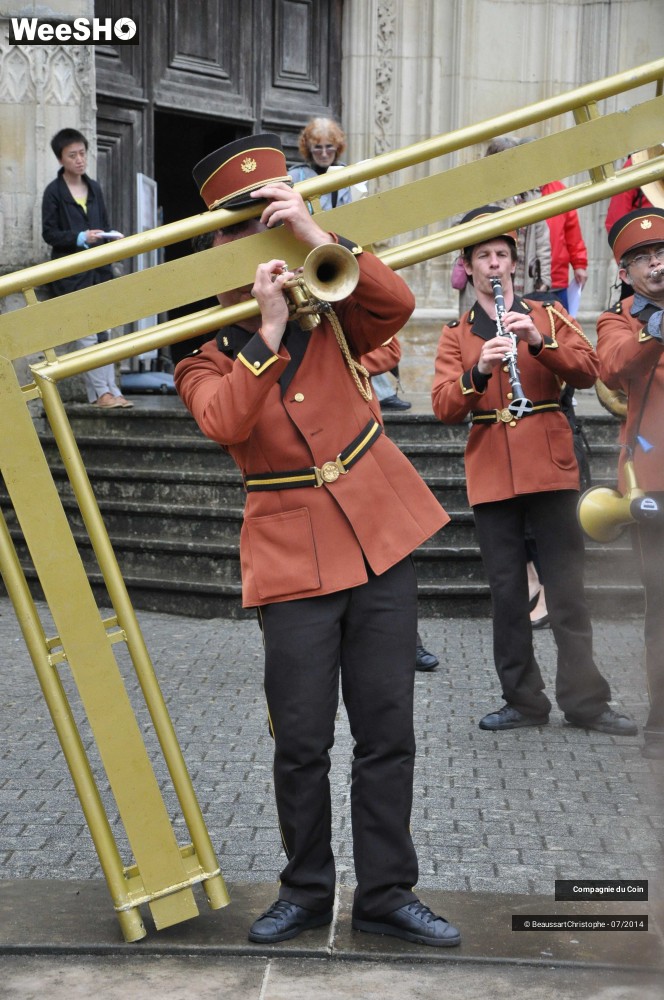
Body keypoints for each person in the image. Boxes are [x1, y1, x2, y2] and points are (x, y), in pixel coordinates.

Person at [175, 134, 460, 947]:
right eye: (245, 228)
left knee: (387, 730)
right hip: (291, 549)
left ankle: (386, 892)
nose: (260, 239)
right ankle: (305, 888)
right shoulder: (206, 348)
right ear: (216, 244)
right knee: (301, 740)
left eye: (270, 219)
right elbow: (224, 422)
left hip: (379, 528)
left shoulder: (330, 295)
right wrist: (262, 336)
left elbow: (398, 306)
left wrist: (315, 234)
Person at [431, 205, 637, 737]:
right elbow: (443, 407)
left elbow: (591, 372)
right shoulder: (457, 334)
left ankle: (586, 702)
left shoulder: (546, 316)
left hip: (550, 466)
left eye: (502, 255)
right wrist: (479, 369)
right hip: (493, 475)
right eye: (484, 257)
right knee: (507, 598)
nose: (494, 265)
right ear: (469, 266)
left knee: (568, 592)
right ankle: (523, 700)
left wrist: (538, 343)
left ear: (514, 265)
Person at [596, 208, 664, 760]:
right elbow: (618, 366)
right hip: (654, 483)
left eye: (663, 253)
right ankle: (661, 722)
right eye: (643, 259)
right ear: (626, 273)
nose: (657, 264)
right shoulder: (617, 320)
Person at [41, 128, 132, 409]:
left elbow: (103, 222)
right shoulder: (54, 192)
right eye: (72, 155)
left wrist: (108, 237)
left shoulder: (94, 187)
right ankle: (100, 393)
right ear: (61, 159)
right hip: (72, 274)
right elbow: (49, 233)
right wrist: (80, 238)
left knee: (105, 332)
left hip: (98, 269)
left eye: (82, 153)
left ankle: (110, 390)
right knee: (87, 334)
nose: (80, 159)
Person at [539, 180, 588, 314]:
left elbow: (572, 233)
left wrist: (579, 265)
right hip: (526, 281)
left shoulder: (559, 190)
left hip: (557, 283)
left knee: (560, 332)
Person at [288, 117, 352, 211]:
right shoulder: (295, 176)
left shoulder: (348, 174)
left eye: (329, 147)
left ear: (337, 146)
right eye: (318, 147)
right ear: (309, 148)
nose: (324, 154)